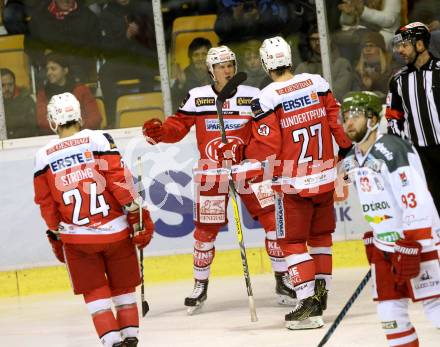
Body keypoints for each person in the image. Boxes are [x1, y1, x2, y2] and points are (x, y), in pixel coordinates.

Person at [142, 45, 297, 314]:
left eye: (230, 65)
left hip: (250, 169)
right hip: (212, 173)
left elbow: (266, 130)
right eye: (221, 66)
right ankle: (199, 285)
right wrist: (160, 132)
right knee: (205, 232)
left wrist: (254, 153)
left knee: (273, 222)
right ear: (210, 70)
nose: (227, 70)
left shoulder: (254, 96)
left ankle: (282, 279)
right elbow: (177, 126)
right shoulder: (197, 97)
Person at [218, 36, 353, 330]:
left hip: (293, 183)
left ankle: (306, 303)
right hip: (326, 177)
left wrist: (238, 153)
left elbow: (267, 145)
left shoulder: (267, 98)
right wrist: (343, 150)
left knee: (291, 242)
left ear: (266, 63)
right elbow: (336, 124)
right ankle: (320, 295)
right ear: (289, 58)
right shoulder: (316, 83)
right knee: (320, 238)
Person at [33, 92, 154, 347]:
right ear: (79, 114)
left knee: (94, 291)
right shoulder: (99, 139)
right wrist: (137, 215)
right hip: (116, 233)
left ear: (53, 119)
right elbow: (119, 181)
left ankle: (111, 342)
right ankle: (130, 337)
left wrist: (56, 232)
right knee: (123, 287)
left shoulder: (43, 155)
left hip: (78, 240)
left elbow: (46, 203)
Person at [341, 91, 440, 347]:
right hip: (386, 248)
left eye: (356, 116)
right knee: (390, 316)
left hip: (420, 245)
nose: (348, 123)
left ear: (373, 119)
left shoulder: (392, 149)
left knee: (436, 309)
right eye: (345, 117)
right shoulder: (353, 160)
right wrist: (379, 234)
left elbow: (415, 199)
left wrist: (413, 242)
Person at [386, 22, 440, 213]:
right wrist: (401, 148)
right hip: (419, 155)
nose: (400, 50)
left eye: (405, 45)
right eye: (398, 45)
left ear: (420, 44)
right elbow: (393, 117)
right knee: (431, 206)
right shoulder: (398, 79)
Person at [99, 0, 159, 128]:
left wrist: (142, 33)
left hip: (145, 57)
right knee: (105, 71)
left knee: (147, 68)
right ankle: (113, 120)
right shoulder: (107, 14)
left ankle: (149, 116)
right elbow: (107, 49)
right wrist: (126, 37)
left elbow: (158, 39)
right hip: (121, 60)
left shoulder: (145, 8)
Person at [24, 0, 101, 83]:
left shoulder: (88, 17)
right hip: (49, 66)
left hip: (78, 67)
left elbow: (96, 46)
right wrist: (48, 58)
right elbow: (30, 47)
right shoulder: (39, 18)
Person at [36, 53, 101, 134]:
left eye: (53, 69)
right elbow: (41, 121)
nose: (49, 73)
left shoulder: (81, 90)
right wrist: (66, 130)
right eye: (47, 69)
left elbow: (95, 118)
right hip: (55, 138)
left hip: (81, 135)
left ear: (65, 70)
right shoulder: (43, 93)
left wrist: (77, 129)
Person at [295, 24, 352, 101]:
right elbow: (295, 95)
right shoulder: (303, 67)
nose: (317, 43)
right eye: (313, 40)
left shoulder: (342, 64)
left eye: (321, 38)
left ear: (329, 39)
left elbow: (338, 93)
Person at [171, 37, 212, 110]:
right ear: (190, 57)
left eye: (204, 54)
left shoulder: (217, 73)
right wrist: (181, 84)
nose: (200, 58)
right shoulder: (184, 75)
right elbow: (174, 103)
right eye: (196, 55)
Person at [0, 68, 38, 139]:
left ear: (14, 84)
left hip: (23, 142)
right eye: (3, 85)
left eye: (10, 84)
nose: (7, 88)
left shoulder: (27, 100)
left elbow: (33, 128)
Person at [352, 31, 392, 96]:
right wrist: (366, 87)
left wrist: (375, 82)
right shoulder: (357, 71)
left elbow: (393, 95)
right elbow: (355, 96)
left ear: (380, 49)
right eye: (365, 46)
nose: (367, 49)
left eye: (371, 46)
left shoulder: (391, 69)